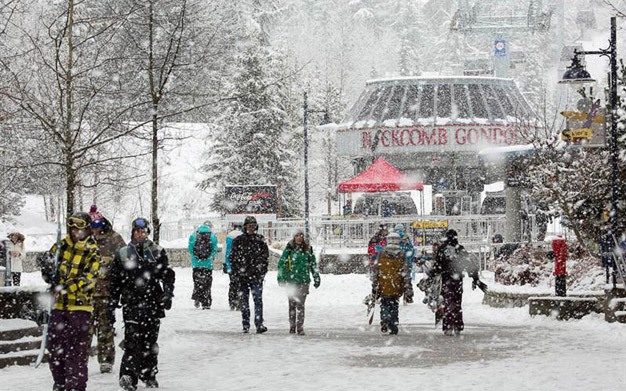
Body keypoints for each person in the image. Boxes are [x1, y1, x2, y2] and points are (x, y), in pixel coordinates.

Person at [108, 217, 175, 391]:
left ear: (148, 232)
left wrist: (167, 294)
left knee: (150, 342)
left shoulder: (157, 251)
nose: (140, 234)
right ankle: (129, 376)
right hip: (132, 304)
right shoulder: (123, 253)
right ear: (132, 232)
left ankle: (149, 374)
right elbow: (115, 280)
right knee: (132, 342)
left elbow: (167, 275)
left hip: (153, 303)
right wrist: (113, 301)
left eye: (143, 231)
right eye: (137, 231)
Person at [37, 212, 101, 391]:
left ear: (87, 229)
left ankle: (75, 386)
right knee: (55, 349)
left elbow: (89, 280)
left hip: (80, 309)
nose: (75, 232)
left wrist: (64, 286)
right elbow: (51, 269)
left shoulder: (93, 251)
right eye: (73, 228)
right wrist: (48, 271)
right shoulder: (60, 246)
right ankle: (60, 382)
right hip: (58, 307)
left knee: (75, 352)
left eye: (79, 229)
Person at [87, 206, 126, 373]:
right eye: (92, 225)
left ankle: (106, 360)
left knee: (105, 328)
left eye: (97, 225)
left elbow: (125, 262)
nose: (94, 229)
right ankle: (79, 358)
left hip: (106, 292)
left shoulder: (114, 239)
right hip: (84, 293)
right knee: (83, 329)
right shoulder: (83, 239)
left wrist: (120, 287)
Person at [432, 229, 480, 336]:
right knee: (457, 303)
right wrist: (474, 277)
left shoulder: (442, 249)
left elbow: (436, 266)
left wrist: (434, 275)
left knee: (448, 303)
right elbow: (469, 264)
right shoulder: (460, 250)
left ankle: (448, 326)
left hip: (446, 280)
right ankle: (457, 325)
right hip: (457, 280)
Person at [230, 216, 269, 334]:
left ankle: (259, 324)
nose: (251, 228)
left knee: (257, 300)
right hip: (243, 277)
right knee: (244, 302)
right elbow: (233, 258)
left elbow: (265, 258)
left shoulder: (260, 240)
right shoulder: (238, 240)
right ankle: (245, 324)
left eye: (253, 225)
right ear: (245, 226)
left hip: (256, 276)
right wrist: (237, 272)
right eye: (249, 225)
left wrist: (262, 272)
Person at [277, 230, 321, 335]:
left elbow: (313, 265)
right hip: (291, 281)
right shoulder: (289, 249)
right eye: (297, 235)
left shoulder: (307, 250)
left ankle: (300, 327)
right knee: (292, 304)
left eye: (301, 235)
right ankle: (292, 326)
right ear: (293, 237)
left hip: (303, 281)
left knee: (300, 304)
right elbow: (281, 263)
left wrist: (316, 277)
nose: (299, 238)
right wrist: (281, 277)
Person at [371, 232, 413, 335]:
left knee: (385, 303)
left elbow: (376, 270)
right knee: (394, 305)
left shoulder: (381, 253)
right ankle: (393, 325)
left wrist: (375, 284)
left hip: (383, 283)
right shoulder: (402, 254)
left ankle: (385, 319)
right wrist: (407, 287)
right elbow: (405, 272)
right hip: (396, 283)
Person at [188, 221, 218, 309]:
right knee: (207, 284)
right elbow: (214, 250)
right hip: (208, 265)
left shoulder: (194, 235)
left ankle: (197, 298)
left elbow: (190, 249)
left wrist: (196, 258)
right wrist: (209, 258)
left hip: (196, 264)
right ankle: (206, 303)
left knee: (197, 282)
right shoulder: (212, 236)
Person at [225, 223, 243, 310]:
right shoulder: (243, 236)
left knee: (232, 284)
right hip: (241, 265)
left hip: (231, 264)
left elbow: (226, 251)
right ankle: (239, 302)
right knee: (241, 284)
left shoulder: (229, 236)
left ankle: (232, 302)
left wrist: (228, 265)